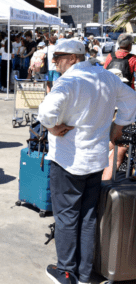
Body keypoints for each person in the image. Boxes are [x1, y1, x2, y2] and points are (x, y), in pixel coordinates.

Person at [38, 40, 136, 284]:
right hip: (95, 159)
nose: (54, 61)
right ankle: (82, 274)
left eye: (58, 56)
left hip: (69, 160)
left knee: (68, 217)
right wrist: (118, 126)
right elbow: (131, 100)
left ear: (73, 58)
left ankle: (66, 272)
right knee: (88, 216)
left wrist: (52, 126)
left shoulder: (69, 81)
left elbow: (45, 112)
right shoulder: (105, 76)